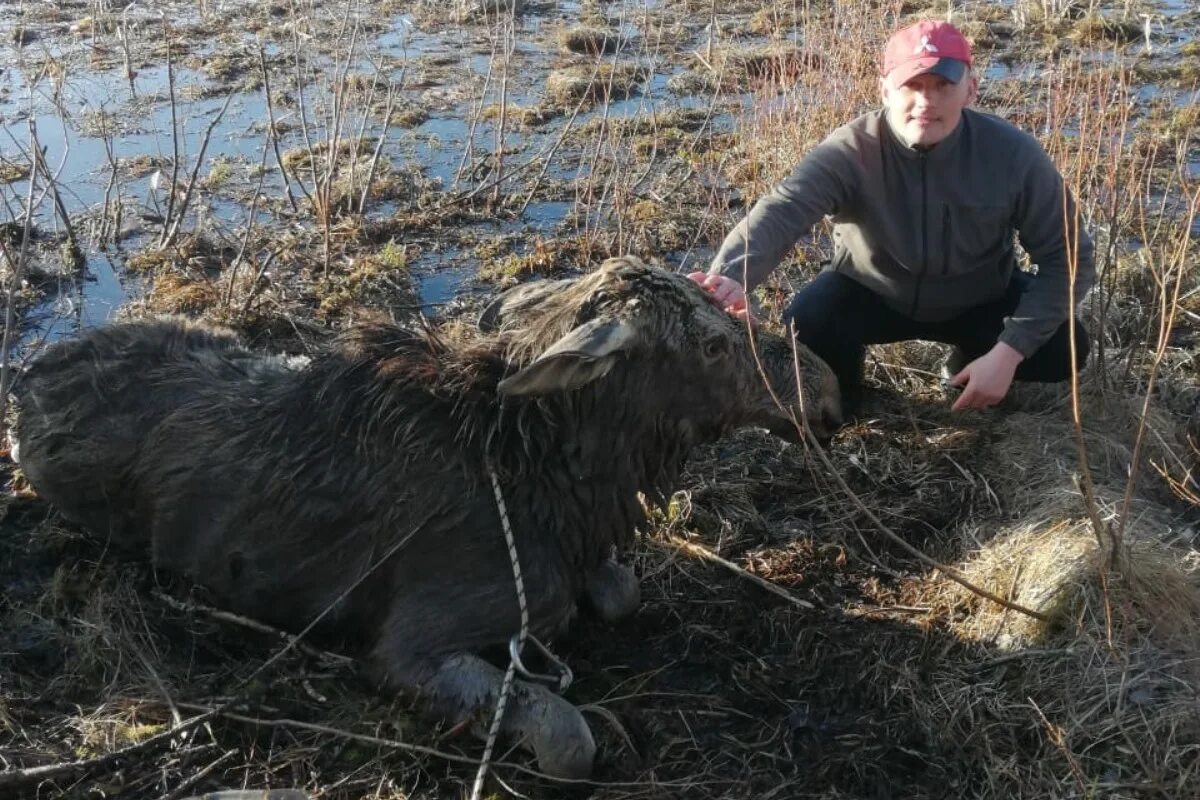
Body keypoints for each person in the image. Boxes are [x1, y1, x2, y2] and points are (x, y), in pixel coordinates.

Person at [690, 19, 1094, 416]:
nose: (926, 101)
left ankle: (968, 365)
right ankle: (844, 397)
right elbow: (783, 210)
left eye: (943, 86)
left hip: (980, 299)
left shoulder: (1014, 155)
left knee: (1063, 346)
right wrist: (730, 276)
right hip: (873, 296)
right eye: (912, 85)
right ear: (884, 89)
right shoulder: (850, 150)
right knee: (808, 322)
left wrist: (1008, 353)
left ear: (970, 89)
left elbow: (1070, 259)